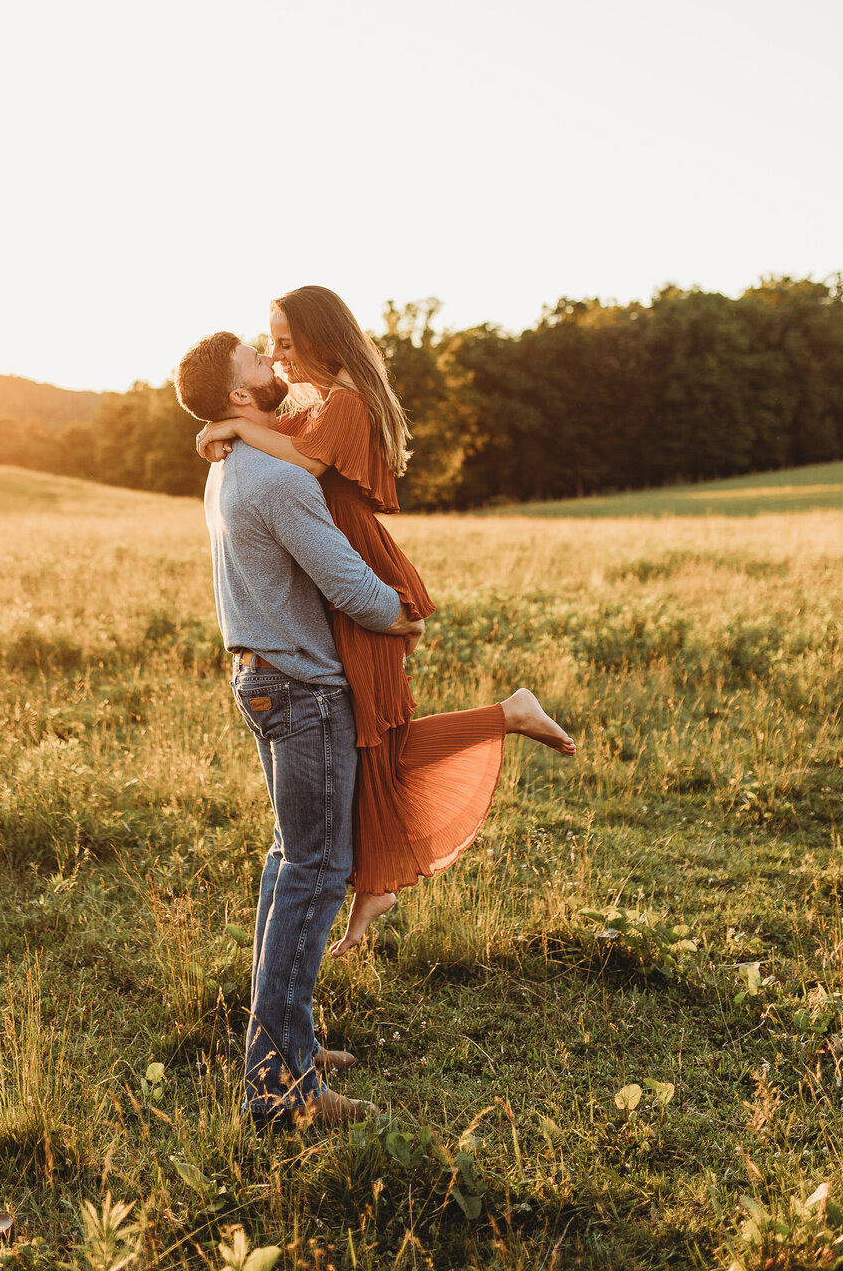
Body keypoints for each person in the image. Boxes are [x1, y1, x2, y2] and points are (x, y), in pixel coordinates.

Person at [195, 285, 575, 956]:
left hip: (358, 572)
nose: (278, 358)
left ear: (318, 337)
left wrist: (232, 426)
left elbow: (306, 463)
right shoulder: (313, 402)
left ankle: (506, 719)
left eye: (285, 344)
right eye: (269, 346)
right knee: (375, 736)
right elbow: (279, 443)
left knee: (379, 733)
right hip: (341, 573)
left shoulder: (345, 401)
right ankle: (377, 880)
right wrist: (228, 426)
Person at [174, 329, 424, 1128]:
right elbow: (347, 582)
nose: (271, 362)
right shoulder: (274, 478)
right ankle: (281, 1090)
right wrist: (401, 614)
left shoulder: (230, 465)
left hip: (262, 679)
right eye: (257, 360)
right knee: (314, 871)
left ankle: (284, 1045)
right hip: (304, 690)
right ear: (240, 396)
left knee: (292, 867)